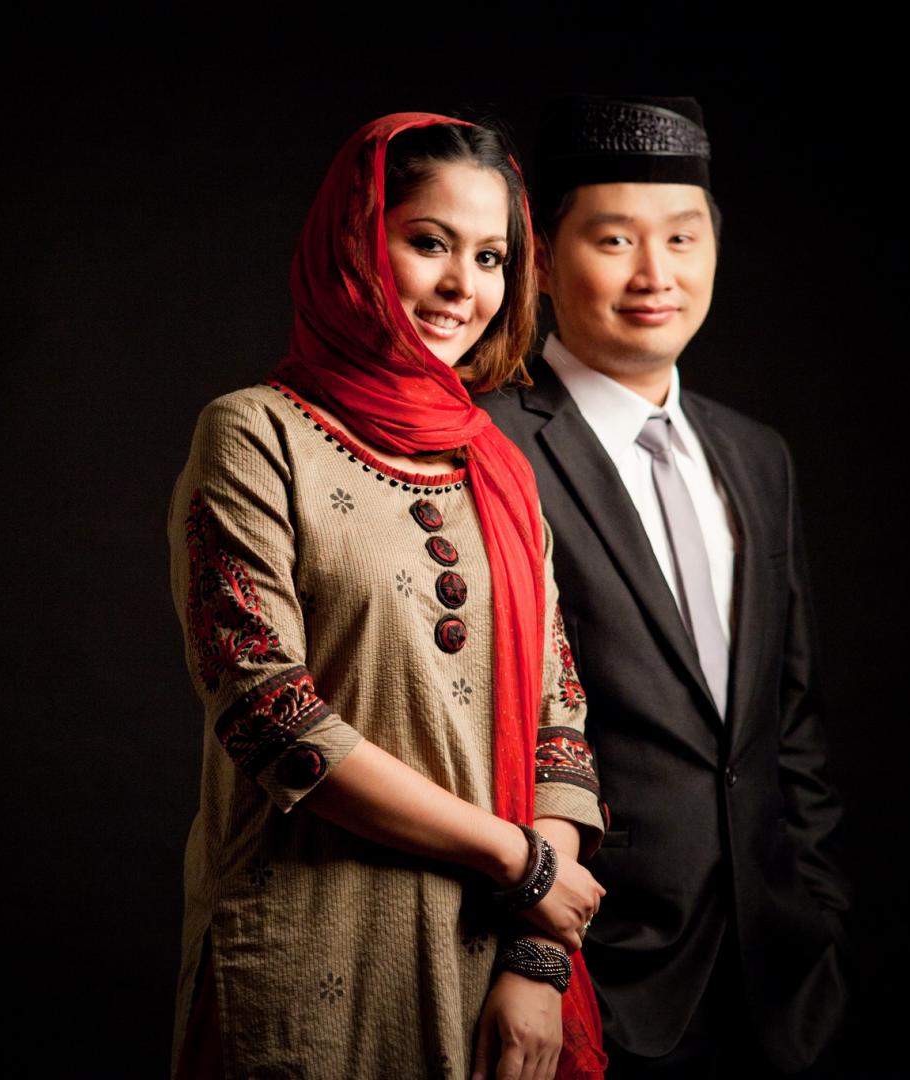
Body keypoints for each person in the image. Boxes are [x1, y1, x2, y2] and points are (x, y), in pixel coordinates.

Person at [167, 113, 612, 1079]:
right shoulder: (256, 436)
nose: (463, 287)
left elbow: (558, 721)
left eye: (490, 257)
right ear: (355, 243)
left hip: (488, 962)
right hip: (304, 955)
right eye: (428, 242)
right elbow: (271, 716)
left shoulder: (495, 469)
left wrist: (538, 958)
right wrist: (520, 864)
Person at [478, 95, 852, 1076]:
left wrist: (815, 903)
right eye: (615, 240)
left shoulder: (756, 454)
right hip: (586, 966)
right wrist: (533, 942)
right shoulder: (489, 443)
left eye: (683, 238)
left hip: (779, 974)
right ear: (542, 260)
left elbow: (790, 718)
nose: (656, 274)